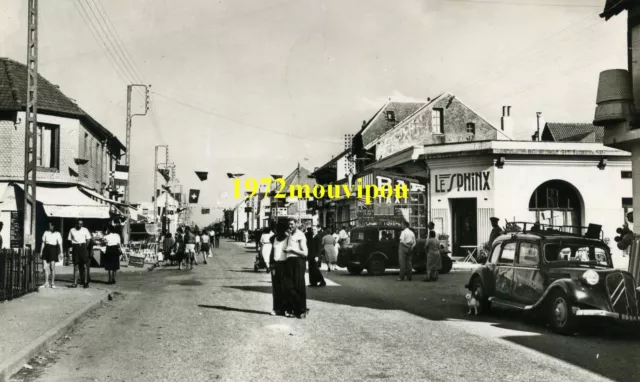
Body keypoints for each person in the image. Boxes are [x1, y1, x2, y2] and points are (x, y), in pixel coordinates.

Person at [283, 218, 309, 319]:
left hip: (298, 262)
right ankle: (297, 309)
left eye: (292, 224)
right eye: (289, 225)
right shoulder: (290, 235)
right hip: (290, 262)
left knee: (298, 286)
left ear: (297, 224)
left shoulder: (300, 235)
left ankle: (301, 310)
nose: (290, 226)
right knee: (289, 286)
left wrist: (291, 250)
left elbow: (305, 253)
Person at [269, 220, 290, 316]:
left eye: (281, 230)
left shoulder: (288, 239)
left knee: (285, 288)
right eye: (277, 230)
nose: (279, 232)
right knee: (276, 288)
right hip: (276, 265)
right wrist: (271, 265)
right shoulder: (274, 239)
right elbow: (272, 253)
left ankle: (286, 309)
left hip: (285, 265)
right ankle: (276, 308)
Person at [68, 219, 92, 288]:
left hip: (83, 247)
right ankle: (75, 283)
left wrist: (84, 247)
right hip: (75, 247)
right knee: (76, 265)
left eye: (81, 224)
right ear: (76, 223)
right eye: (79, 224)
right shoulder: (72, 230)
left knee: (85, 265)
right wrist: (74, 245)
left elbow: (88, 240)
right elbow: (69, 240)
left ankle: (85, 282)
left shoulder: (85, 230)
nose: (80, 225)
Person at [40, 221, 63, 288]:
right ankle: (46, 283)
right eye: (49, 225)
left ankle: (52, 283)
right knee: (45, 267)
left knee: (52, 267)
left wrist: (61, 253)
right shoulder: (46, 232)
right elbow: (43, 243)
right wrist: (41, 251)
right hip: (46, 249)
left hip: (53, 249)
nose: (50, 227)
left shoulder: (57, 234)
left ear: (54, 226)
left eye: (51, 225)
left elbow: (60, 244)